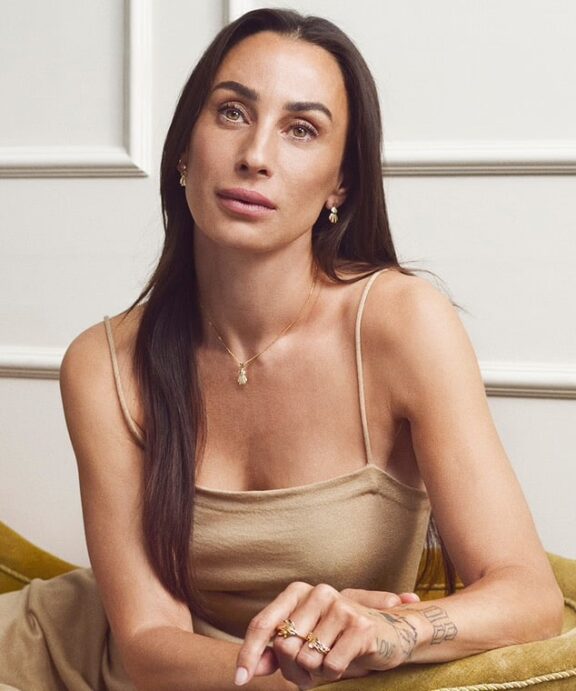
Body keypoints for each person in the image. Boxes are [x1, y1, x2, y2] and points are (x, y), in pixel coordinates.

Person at [0, 8, 563, 691]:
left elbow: (529, 595)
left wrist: (391, 633)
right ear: (184, 150)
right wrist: (301, 673)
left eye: (301, 129)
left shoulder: (402, 324)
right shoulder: (103, 364)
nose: (256, 155)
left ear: (340, 183)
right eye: (232, 112)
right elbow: (147, 646)